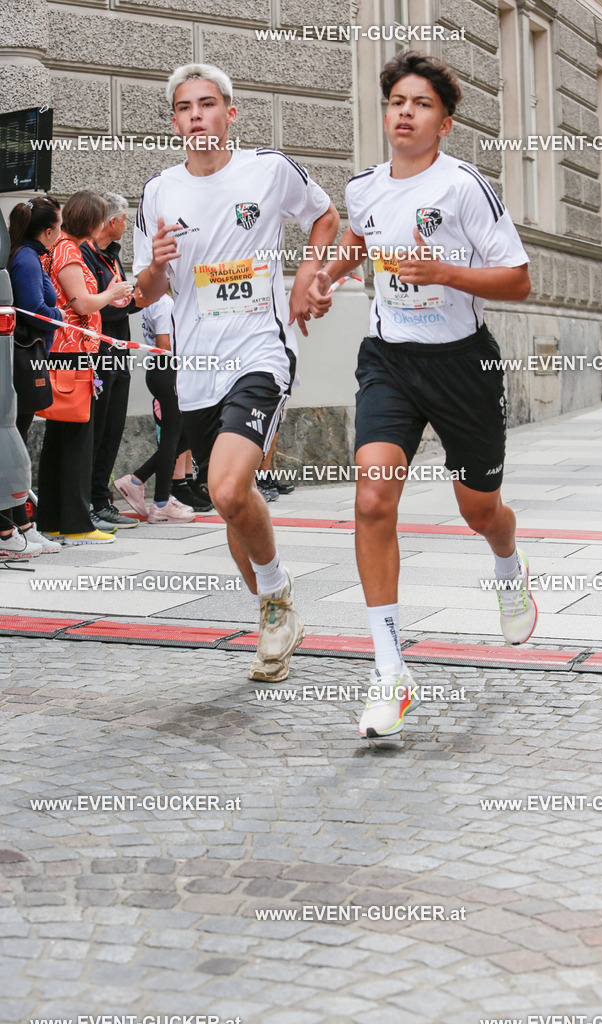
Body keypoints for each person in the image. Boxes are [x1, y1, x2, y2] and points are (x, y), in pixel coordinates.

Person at [307, 51, 535, 738]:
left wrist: (444, 271)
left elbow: (518, 279)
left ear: (445, 123)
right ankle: (388, 669)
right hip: (389, 363)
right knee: (372, 498)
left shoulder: (464, 188)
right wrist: (325, 277)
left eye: (421, 104)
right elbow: (357, 235)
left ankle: (506, 562)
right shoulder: (366, 186)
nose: (404, 112)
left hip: (462, 367)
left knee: (479, 509)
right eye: (396, 101)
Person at [134, 62, 339, 682]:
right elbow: (144, 293)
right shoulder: (159, 190)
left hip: (259, 350)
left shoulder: (269, 171)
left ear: (229, 113)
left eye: (206, 104)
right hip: (196, 367)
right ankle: (276, 613)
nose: (195, 115)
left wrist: (308, 276)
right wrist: (158, 266)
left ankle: (275, 597)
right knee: (232, 504)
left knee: (225, 487)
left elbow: (325, 218)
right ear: (175, 122)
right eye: (183, 108)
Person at [38, 190, 133, 545]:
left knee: (62, 440)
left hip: (71, 353)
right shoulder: (69, 250)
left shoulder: (63, 247)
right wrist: (112, 293)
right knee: (77, 440)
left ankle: (52, 520)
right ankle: (76, 521)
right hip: (72, 354)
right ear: (89, 221)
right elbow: (81, 302)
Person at [81, 191, 150, 531]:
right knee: (97, 426)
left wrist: (142, 296)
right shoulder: (85, 254)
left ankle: (100, 498)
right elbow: (92, 306)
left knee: (113, 427)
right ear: (111, 221)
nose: (126, 224)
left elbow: (120, 301)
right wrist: (121, 299)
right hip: (98, 352)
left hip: (119, 350)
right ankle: (89, 501)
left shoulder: (110, 255)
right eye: (124, 219)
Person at [1, 197, 64, 558]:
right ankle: (14, 528)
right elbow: (31, 308)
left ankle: (22, 526)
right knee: (16, 442)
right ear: (49, 230)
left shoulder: (26, 254)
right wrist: (59, 314)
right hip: (22, 361)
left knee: (18, 442)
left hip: (23, 359)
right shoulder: (27, 258)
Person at [114, 293, 196, 523]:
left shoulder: (159, 301)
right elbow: (164, 345)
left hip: (163, 371)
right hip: (167, 370)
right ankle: (160, 502)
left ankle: (139, 481)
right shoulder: (164, 303)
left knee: (181, 434)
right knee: (175, 435)